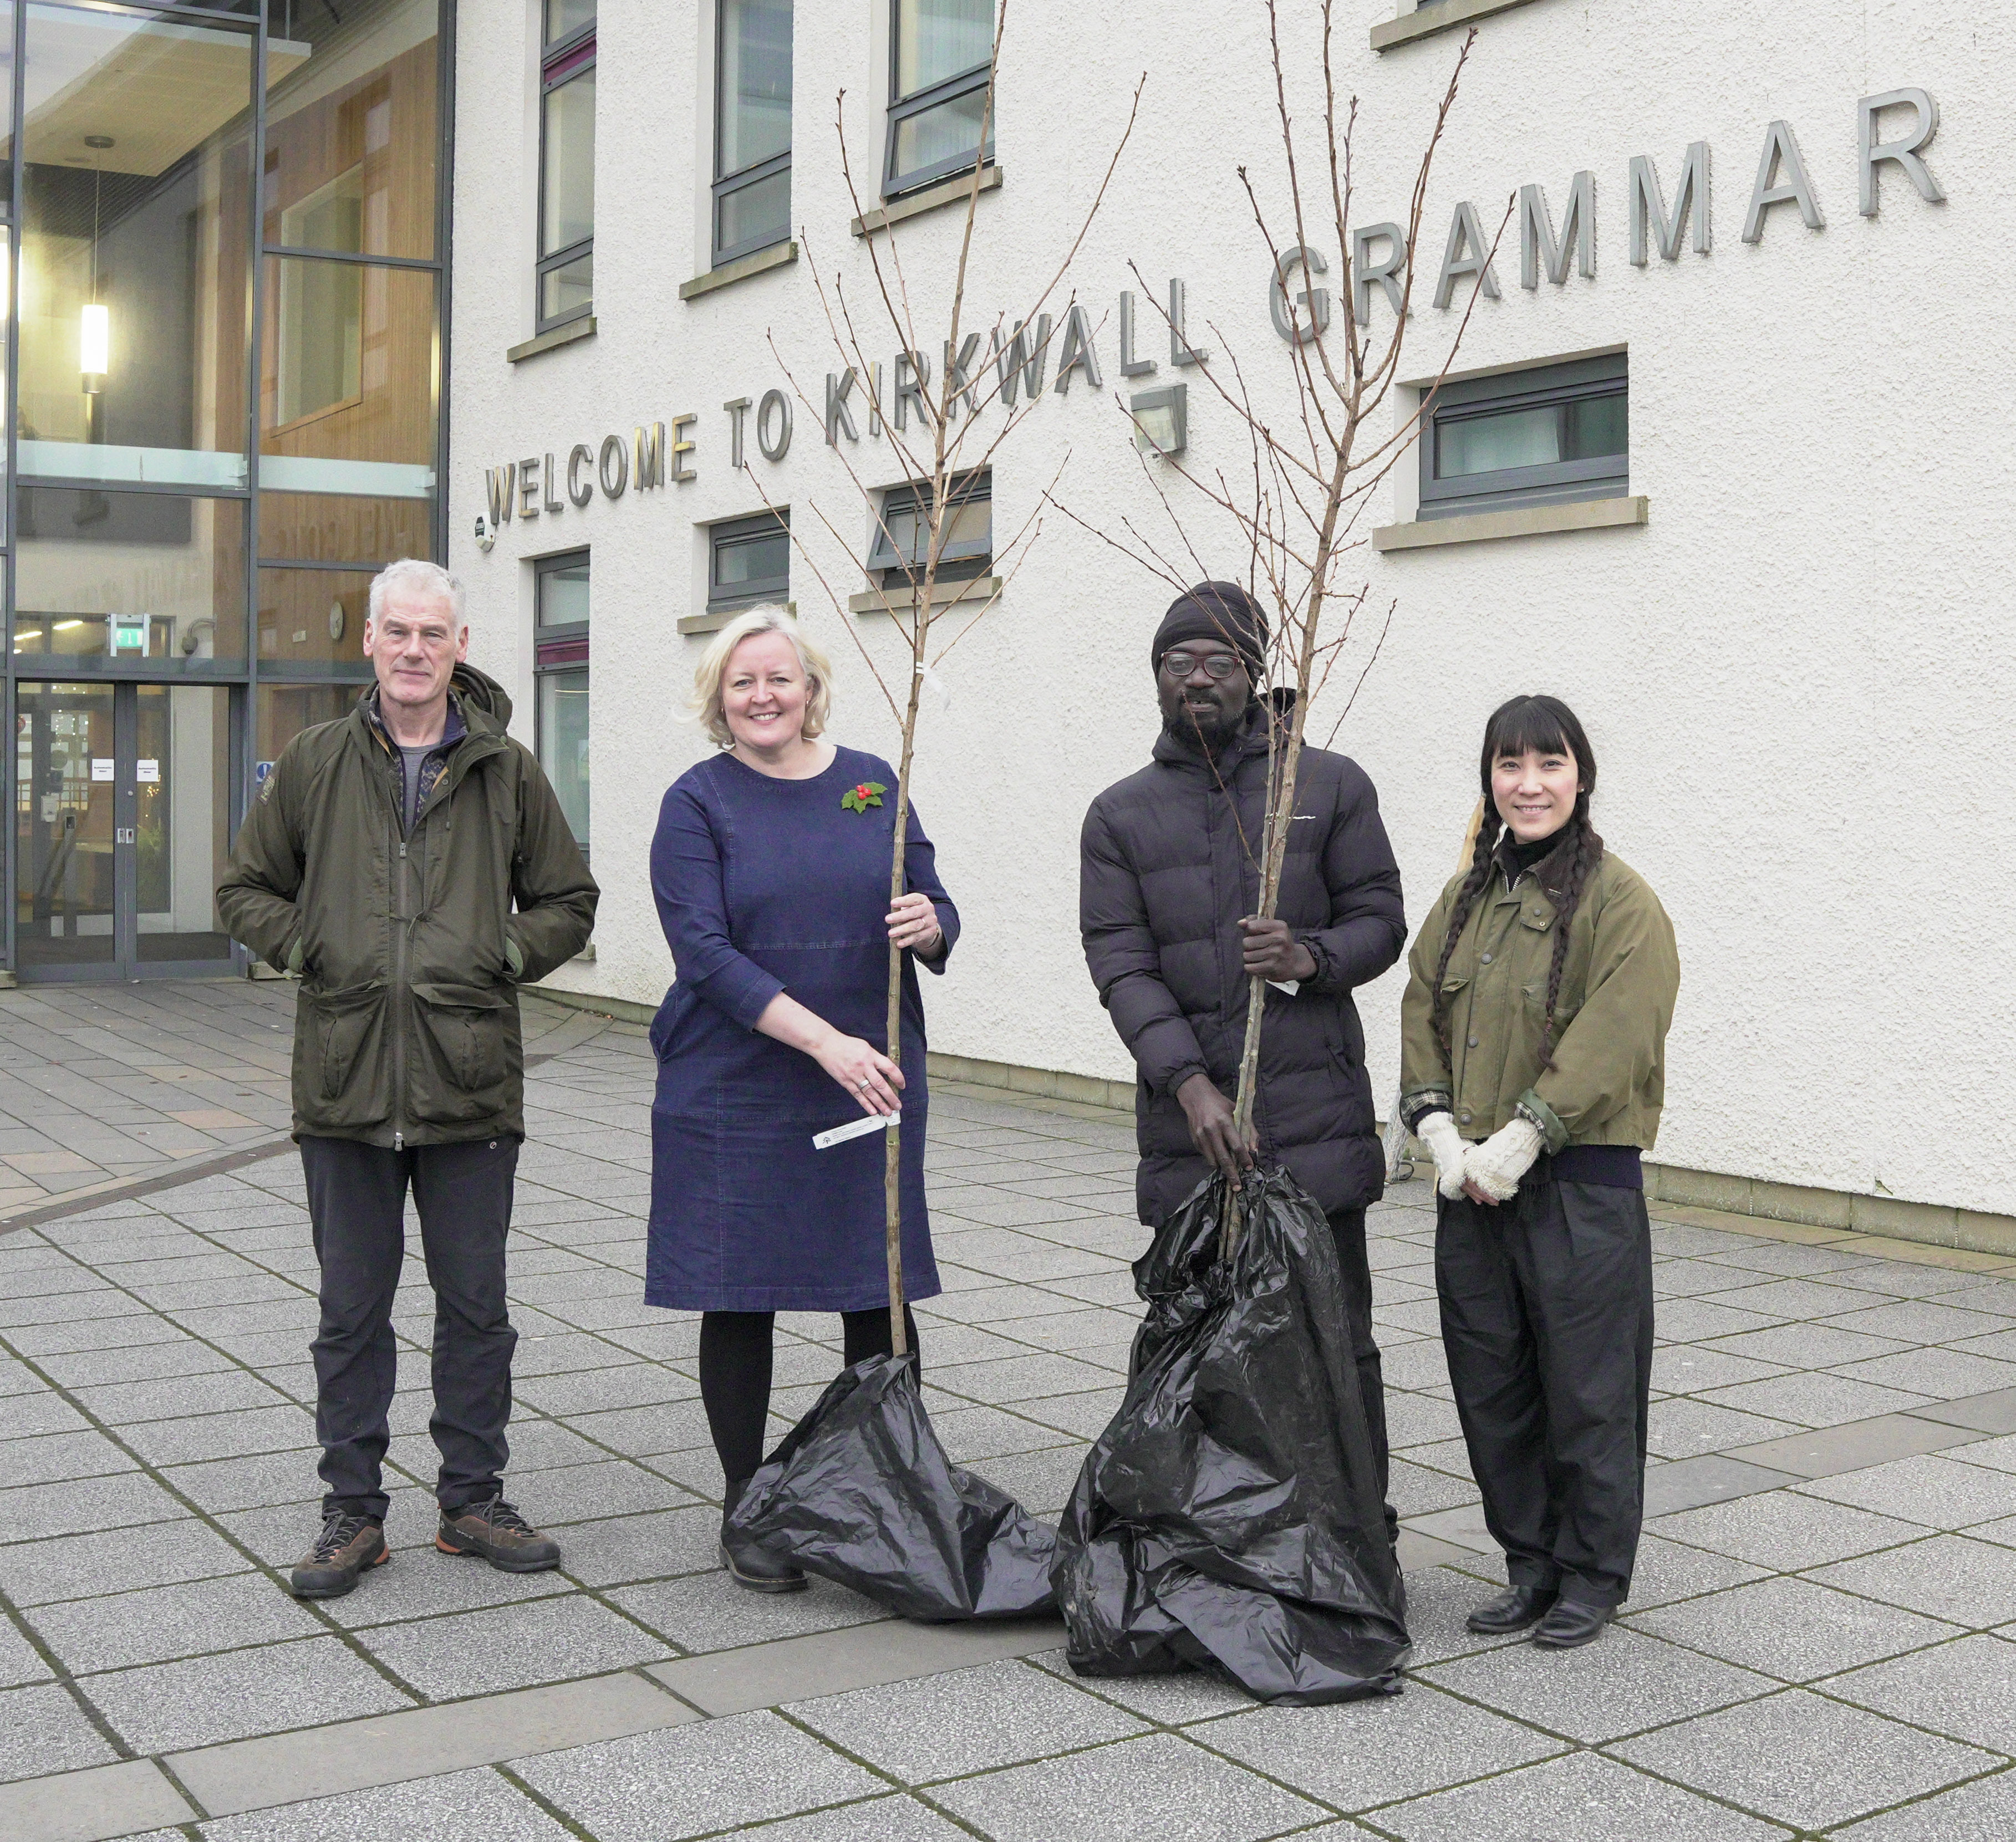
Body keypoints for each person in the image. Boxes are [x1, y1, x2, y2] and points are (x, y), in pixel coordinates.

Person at [217, 558, 597, 1599]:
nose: (415, 651)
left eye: (434, 634)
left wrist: (501, 955)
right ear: (373, 643)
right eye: (398, 633)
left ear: (460, 646)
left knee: (476, 1308)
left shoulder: (508, 771)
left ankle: (472, 1500)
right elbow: (244, 887)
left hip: (469, 1085)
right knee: (351, 1312)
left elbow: (568, 898)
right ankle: (353, 1512)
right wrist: (315, 947)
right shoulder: (314, 762)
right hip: (344, 1086)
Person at [1080, 580, 1408, 1540]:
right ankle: (1207, 1537)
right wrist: (1189, 1086)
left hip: (1313, 1129)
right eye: (1176, 663)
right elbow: (1121, 962)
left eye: (1218, 662)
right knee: (1197, 1340)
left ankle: (1353, 1527)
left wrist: (1311, 957)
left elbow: (1382, 919)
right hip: (1195, 1140)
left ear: (1256, 675)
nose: (1196, 680)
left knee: (1335, 1342)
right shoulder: (1120, 814)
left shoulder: (1329, 785)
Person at [646, 604, 958, 1593]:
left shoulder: (873, 783)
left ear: (812, 689)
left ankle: (882, 1489)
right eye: (742, 683)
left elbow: (939, 904)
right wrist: (826, 1043)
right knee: (741, 1295)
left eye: (779, 678)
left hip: (872, 1077)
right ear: (718, 701)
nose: (763, 696)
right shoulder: (697, 803)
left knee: (877, 1289)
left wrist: (931, 924)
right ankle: (750, 1507)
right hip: (739, 1086)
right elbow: (703, 954)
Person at [1398, 694, 1679, 1650]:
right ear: (1489, 780)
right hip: (1471, 1185)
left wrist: (1526, 1136)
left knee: (1588, 1388)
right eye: (1510, 766)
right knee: (1495, 1386)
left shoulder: (1621, 902)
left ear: (1581, 776)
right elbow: (1419, 1007)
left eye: (1549, 765)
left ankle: (1594, 1576)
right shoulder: (1466, 898)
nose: (1529, 784)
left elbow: (1618, 1031)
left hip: (1576, 1185)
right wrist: (1439, 1133)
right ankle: (1530, 1564)